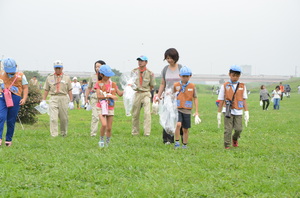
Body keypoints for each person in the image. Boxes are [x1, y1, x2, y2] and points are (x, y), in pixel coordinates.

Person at [217, 65, 249, 149]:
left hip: (238, 110)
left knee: (239, 129)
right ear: (229, 74)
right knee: (228, 129)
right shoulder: (225, 86)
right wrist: (219, 113)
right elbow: (221, 100)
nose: (235, 77)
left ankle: (235, 139)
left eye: (237, 76)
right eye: (233, 75)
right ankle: (227, 145)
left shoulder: (242, 86)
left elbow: (244, 99)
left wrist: (246, 112)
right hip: (227, 110)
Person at [157, 48, 183, 144]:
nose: (168, 60)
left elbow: (184, 82)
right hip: (167, 97)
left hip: (178, 97)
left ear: (175, 57)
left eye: (170, 58)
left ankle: (175, 138)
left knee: (176, 117)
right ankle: (166, 139)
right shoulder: (165, 69)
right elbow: (163, 84)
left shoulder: (180, 68)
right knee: (167, 117)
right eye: (167, 58)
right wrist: (158, 95)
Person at [40, 60, 73, 137]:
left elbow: (70, 90)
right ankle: (54, 134)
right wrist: (43, 100)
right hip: (53, 97)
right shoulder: (50, 77)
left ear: (62, 68)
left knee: (64, 118)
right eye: (56, 68)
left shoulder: (66, 77)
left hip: (63, 97)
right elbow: (46, 89)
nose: (58, 70)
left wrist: (71, 101)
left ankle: (63, 133)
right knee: (53, 118)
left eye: (59, 68)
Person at [0, 58, 28, 146]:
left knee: (11, 120)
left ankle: (8, 140)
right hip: (2, 97)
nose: (10, 73)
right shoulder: (1, 74)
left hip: (15, 98)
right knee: (1, 117)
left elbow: (25, 87)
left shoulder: (21, 75)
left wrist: (24, 98)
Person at [94, 65, 123, 147]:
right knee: (104, 124)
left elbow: (120, 94)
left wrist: (127, 89)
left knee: (109, 128)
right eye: (107, 75)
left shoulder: (113, 84)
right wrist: (109, 96)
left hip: (110, 107)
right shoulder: (98, 84)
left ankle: (107, 143)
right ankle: (101, 140)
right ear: (101, 74)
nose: (108, 76)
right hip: (101, 106)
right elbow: (98, 96)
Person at [173, 66, 200, 149]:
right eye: (183, 76)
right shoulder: (176, 85)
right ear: (180, 76)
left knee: (185, 129)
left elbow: (195, 98)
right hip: (178, 108)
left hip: (187, 110)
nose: (185, 78)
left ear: (190, 76)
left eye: (187, 76)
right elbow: (172, 95)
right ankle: (177, 142)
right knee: (178, 125)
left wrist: (196, 111)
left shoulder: (192, 86)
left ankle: (184, 144)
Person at [131, 55, 156, 136]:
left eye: (142, 61)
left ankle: (147, 132)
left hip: (146, 93)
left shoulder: (150, 73)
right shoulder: (134, 71)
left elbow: (152, 85)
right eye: (139, 61)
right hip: (137, 93)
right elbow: (131, 82)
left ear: (146, 62)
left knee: (147, 113)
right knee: (135, 114)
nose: (140, 62)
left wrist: (146, 90)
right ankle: (135, 132)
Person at [85, 60, 106, 136]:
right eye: (96, 67)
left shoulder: (107, 76)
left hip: (104, 97)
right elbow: (89, 88)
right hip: (94, 97)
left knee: (104, 116)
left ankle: (105, 132)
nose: (97, 68)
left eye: (99, 66)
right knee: (95, 116)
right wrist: (86, 98)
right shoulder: (93, 76)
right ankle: (93, 133)